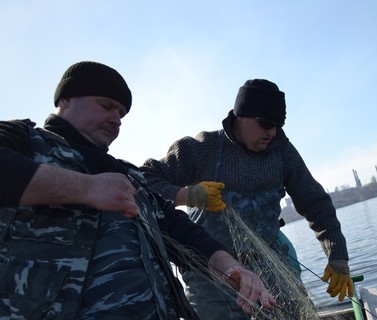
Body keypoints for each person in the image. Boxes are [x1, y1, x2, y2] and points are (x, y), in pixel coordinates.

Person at [0, 61, 275, 319]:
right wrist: (86, 188)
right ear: (65, 100)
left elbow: (181, 230)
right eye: (106, 106)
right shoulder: (24, 141)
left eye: (121, 114)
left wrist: (230, 266)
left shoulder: (129, 176)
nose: (116, 119)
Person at [140, 79, 353, 318]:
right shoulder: (201, 149)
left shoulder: (282, 153)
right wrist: (185, 194)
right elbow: (142, 180)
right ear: (241, 115)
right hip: (210, 271)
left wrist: (338, 258)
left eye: (277, 126)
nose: (271, 132)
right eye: (264, 124)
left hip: (270, 265)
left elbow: (316, 203)